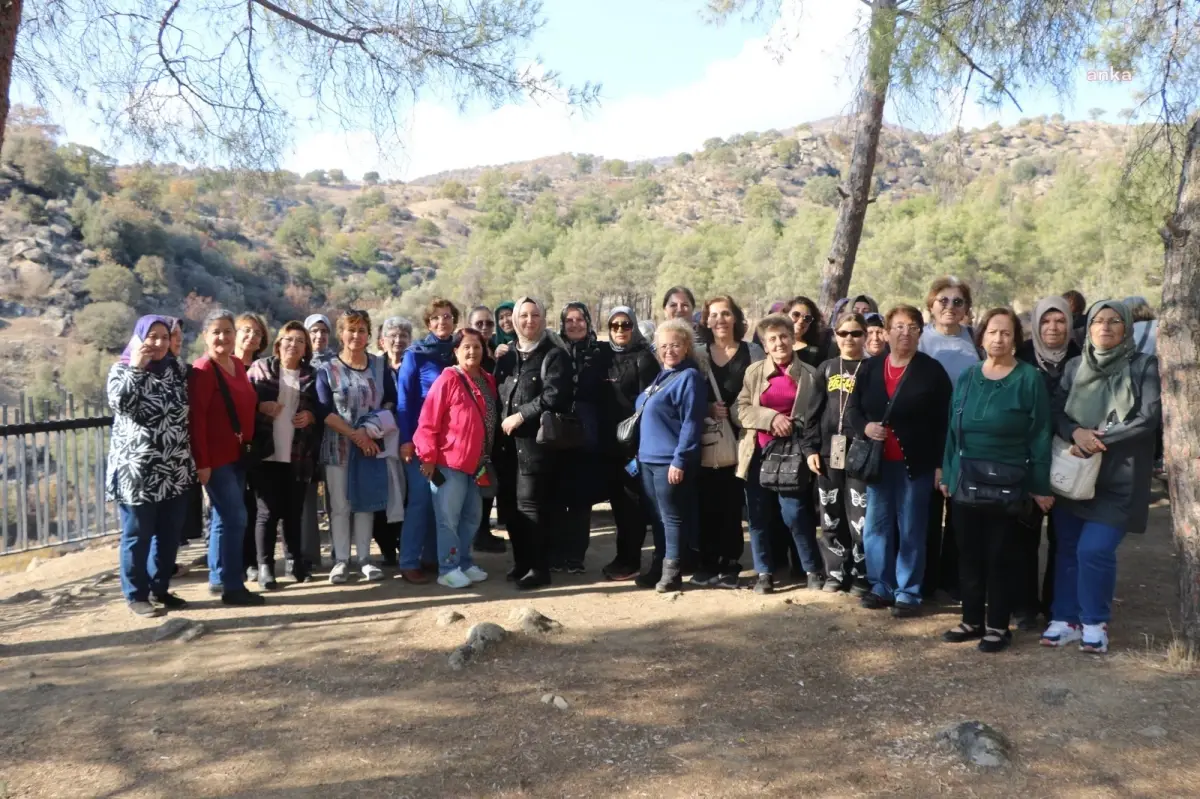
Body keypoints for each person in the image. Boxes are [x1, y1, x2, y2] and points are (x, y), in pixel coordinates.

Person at [1041, 300, 1161, 655]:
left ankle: (1094, 621)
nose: (1105, 327)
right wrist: (1076, 432)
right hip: (1076, 475)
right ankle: (1065, 619)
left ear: (1126, 328)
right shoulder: (1076, 366)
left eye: (1113, 321)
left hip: (1119, 479)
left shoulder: (1143, 365)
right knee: (1066, 549)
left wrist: (1097, 441)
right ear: (1088, 328)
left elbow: (1148, 418)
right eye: (1098, 321)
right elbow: (1057, 410)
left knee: (1094, 549)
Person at [938, 309, 1054, 653]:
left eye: (1006, 333)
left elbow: (1040, 434)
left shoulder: (1029, 378)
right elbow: (952, 431)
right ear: (982, 337)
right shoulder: (968, 377)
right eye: (992, 332)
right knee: (968, 553)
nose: (999, 339)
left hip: (1010, 480)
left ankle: (998, 626)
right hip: (966, 479)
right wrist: (947, 472)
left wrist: (1040, 484)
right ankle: (971, 620)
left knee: (1001, 555)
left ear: (1015, 340)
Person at [847, 305, 952, 616]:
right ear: (886, 331)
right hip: (878, 464)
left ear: (920, 333)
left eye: (913, 327)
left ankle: (908, 592)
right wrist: (864, 427)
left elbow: (944, 422)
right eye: (899, 326)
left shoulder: (932, 371)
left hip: (915, 465)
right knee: (876, 528)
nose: (905, 333)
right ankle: (881, 586)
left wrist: (939, 465)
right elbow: (852, 410)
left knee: (911, 529)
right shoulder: (868, 368)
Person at [107, 316, 195, 617]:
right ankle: (136, 594)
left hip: (175, 468)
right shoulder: (121, 370)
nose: (158, 343)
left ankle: (160, 589)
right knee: (138, 535)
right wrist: (137, 368)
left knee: (169, 535)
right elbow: (121, 404)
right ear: (140, 338)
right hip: (138, 472)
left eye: (164, 337)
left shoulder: (178, 371)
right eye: (152, 337)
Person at [733, 314, 823, 594]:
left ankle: (812, 569)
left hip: (793, 455)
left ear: (793, 339)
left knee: (794, 513)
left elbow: (816, 415)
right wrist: (770, 418)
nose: (779, 343)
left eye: (784, 336)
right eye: (772, 339)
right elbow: (740, 410)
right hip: (758, 452)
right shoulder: (754, 372)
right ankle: (764, 573)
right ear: (764, 344)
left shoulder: (810, 373)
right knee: (758, 516)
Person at [494, 296, 574, 590]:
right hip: (505, 448)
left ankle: (540, 568)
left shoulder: (554, 355)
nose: (529, 321)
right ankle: (522, 562)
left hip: (534, 446)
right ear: (514, 320)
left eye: (535, 315)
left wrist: (521, 415)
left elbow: (555, 395)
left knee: (531, 507)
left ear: (543, 319)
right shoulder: (506, 357)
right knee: (510, 509)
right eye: (523, 315)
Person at [189, 309, 264, 606]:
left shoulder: (235, 363)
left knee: (223, 518)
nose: (223, 337)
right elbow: (196, 420)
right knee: (236, 517)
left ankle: (219, 578)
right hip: (215, 459)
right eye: (216, 332)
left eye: (228, 331)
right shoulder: (203, 369)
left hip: (238, 455)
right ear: (206, 336)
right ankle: (234, 587)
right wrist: (202, 462)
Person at [316, 310, 397, 584]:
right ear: (341, 333)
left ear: (369, 335)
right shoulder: (327, 369)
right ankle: (340, 560)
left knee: (365, 504)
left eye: (362, 330)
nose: (356, 335)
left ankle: (364, 559)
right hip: (337, 448)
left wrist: (366, 432)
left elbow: (390, 403)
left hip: (370, 447)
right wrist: (354, 434)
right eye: (351, 330)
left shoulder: (379, 366)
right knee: (339, 506)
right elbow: (324, 411)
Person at [413, 327, 497, 589]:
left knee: (472, 516)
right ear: (456, 352)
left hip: (478, 464)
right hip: (449, 463)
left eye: (477, 347)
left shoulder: (487, 379)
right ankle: (448, 568)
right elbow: (428, 421)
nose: (472, 351)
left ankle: (464, 561)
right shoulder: (447, 379)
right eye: (466, 347)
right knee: (448, 519)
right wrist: (427, 457)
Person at [1014, 296, 1081, 627]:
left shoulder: (1082, 358)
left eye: (1060, 321)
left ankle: (1057, 603)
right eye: (1046, 321)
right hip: (1028, 457)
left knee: (1063, 536)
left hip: (1072, 459)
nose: (1053, 328)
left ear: (1070, 324)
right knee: (1024, 536)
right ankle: (1024, 606)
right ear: (1036, 324)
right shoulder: (1021, 357)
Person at [693, 295, 763, 587]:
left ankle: (730, 563)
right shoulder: (697, 354)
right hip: (709, 438)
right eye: (714, 315)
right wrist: (707, 408)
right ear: (706, 321)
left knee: (734, 503)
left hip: (746, 437)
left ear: (735, 318)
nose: (719, 320)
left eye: (725, 314)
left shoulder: (754, 352)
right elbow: (688, 395)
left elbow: (764, 390)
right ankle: (708, 562)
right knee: (707, 500)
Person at [918, 276, 981, 602]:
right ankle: (926, 580)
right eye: (943, 300)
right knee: (928, 510)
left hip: (967, 436)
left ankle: (954, 578)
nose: (950, 307)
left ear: (966, 309)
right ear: (931, 305)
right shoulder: (921, 340)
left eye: (958, 302)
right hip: (929, 435)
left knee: (961, 510)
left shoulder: (975, 341)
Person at [247, 322, 321, 588]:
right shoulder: (260, 369)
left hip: (299, 453)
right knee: (266, 513)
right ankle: (265, 566)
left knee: (293, 511)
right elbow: (244, 404)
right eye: (289, 339)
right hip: (265, 452)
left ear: (306, 348)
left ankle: (294, 562)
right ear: (278, 344)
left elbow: (322, 410)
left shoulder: (312, 375)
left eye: (300, 341)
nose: (294, 344)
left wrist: (311, 415)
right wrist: (259, 406)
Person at [635, 319, 706, 592]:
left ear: (687, 347)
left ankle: (673, 571)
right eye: (663, 346)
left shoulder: (689, 377)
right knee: (656, 516)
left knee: (671, 517)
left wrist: (680, 459)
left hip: (668, 460)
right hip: (647, 459)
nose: (669, 351)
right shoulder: (660, 377)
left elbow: (691, 423)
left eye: (675, 345)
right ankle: (658, 567)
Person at [803, 311, 871, 595]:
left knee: (860, 520)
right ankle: (834, 572)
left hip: (861, 456)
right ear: (835, 336)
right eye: (843, 333)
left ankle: (861, 574)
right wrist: (810, 448)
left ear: (865, 336)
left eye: (856, 333)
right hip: (829, 454)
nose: (849, 339)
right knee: (830, 518)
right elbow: (811, 413)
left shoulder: (873, 369)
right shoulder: (827, 368)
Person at [396, 299, 459, 583]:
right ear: (428, 323)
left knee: (442, 501)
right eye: (436, 318)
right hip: (422, 440)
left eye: (447, 317)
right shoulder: (416, 354)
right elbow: (404, 401)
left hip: (452, 442)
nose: (442, 322)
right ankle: (409, 561)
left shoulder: (459, 352)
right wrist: (407, 439)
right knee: (420, 500)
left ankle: (432, 558)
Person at [598, 306, 661, 581]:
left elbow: (649, 403)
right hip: (609, 444)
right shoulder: (603, 356)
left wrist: (636, 442)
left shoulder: (645, 359)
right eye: (615, 325)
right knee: (619, 504)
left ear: (634, 327)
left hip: (634, 444)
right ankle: (623, 556)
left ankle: (631, 560)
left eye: (626, 325)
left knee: (632, 507)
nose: (621, 330)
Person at [554, 302, 608, 573]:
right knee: (555, 497)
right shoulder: (552, 351)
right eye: (569, 321)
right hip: (557, 435)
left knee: (580, 501)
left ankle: (575, 557)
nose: (574, 325)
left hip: (587, 436)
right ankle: (556, 554)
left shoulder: (601, 352)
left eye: (580, 320)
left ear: (588, 322)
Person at [373, 316, 414, 566]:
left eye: (403, 336)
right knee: (384, 493)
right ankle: (387, 547)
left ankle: (405, 544)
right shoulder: (374, 367)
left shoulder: (414, 364)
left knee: (408, 493)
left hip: (409, 438)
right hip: (382, 439)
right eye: (393, 336)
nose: (398, 341)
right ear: (382, 341)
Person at [466, 305, 507, 554]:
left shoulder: (495, 357)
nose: (484, 328)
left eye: (488, 324)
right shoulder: (464, 357)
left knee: (488, 484)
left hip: (494, 433)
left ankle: (482, 531)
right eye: (478, 324)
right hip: (471, 435)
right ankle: (473, 534)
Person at [234, 311, 270, 581]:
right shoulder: (220, 366)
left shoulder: (265, 369)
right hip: (226, 447)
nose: (251, 336)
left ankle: (252, 561)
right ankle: (230, 563)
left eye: (257, 333)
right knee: (230, 506)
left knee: (255, 506)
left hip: (256, 447)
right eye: (246, 330)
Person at [300, 313, 334, 572]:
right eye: (314, 331)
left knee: (337, 499)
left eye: (323, 331)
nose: (319, 336)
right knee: (306, 500)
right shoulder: (296, 364)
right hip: (306, 442)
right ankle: (308, 556)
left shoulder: (337, 363)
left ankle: (340, 552)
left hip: (334, 437)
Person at [786, 296, 825, 368]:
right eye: (796, 315)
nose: (801, 321)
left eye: (807, 318)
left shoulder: (815, 353)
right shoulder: (771, 345)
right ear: (785, 315)